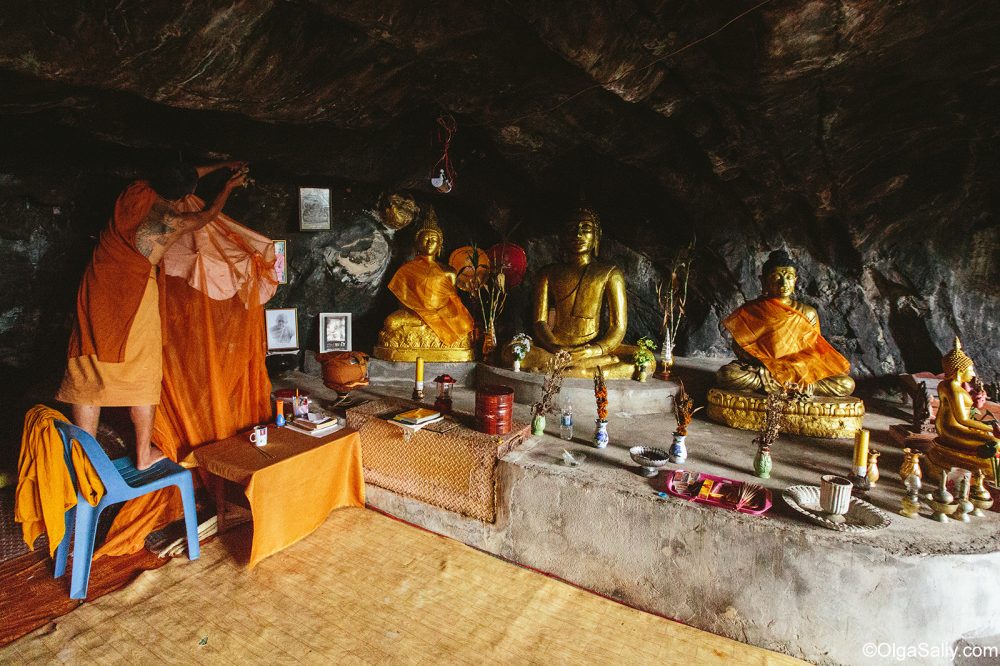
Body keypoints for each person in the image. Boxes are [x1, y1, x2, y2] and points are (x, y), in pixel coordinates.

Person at [56, 161, 248, 470]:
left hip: (98, 285)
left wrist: (221, 164)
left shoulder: (134, 192)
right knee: (143, 368)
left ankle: (82, 460)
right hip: (134, 292)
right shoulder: (172, 221)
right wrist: (227, 185)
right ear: (184, 194)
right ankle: (143, 456)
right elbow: (208, 215)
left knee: (86, 361)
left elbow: (180, 175)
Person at [716, 249, 854, 397]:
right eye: (776, 277)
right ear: (763, 281)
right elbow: (739, 346)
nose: (784, 283)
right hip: (766, 369)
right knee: (727, 375)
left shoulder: (808, 312)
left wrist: (794, 365)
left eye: (789, 277)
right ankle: (796, 387)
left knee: (846, 384)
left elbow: (816, 349)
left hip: (799, 368)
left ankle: (796, 385)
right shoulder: (751, 310)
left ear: (795, 280)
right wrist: (767, 363)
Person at [515, 208, 632, 378]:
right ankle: (584, 371)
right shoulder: (548, 273)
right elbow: (540, 321)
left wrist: (593, 350)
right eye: (572, 228)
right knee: (511, 351)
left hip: (592, 349)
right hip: (555, 348)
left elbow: (618, 327)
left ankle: (573, 370)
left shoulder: (610, 273)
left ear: (597, 236)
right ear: (562, 236)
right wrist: (555, 346)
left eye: (586, 228)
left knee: (646, 359)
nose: (578, 234)